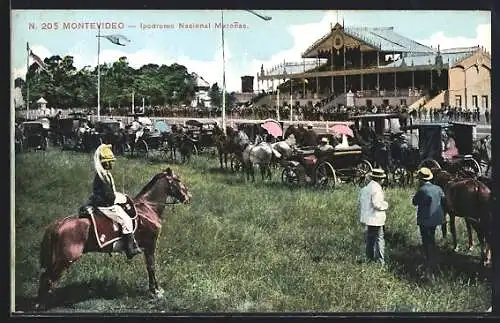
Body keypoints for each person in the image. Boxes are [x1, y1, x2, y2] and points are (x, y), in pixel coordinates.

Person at [89, 144, 142, 259]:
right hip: (105, 205)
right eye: (111, 161)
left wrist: (121, 196)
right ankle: (129, 249)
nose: (113, 163)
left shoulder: (104, 174)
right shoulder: (102, 176)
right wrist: (118, 199)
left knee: (125, 200)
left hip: (104, 201)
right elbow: (109, 197)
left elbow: (110, 192)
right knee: (126, 220)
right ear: (105, 162)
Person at [412, 167, 445, 279]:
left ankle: (429, 260)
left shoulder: (422, 190)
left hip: (425, 219)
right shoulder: (438, 188)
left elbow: (414, 202)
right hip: (436, 219)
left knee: (426, 240)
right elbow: (443, 199)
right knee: (432, 237)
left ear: (421, 179)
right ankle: (433, 257)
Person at [358, 168, 389, 265]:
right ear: (380, 179)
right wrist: (385, 205)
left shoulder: (367, 188)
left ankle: (369, 258)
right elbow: (376, 204)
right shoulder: (377, 189)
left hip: (369, 218)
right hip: (376, 218)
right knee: (379, 239)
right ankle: (380, 261)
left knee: (370, 239)